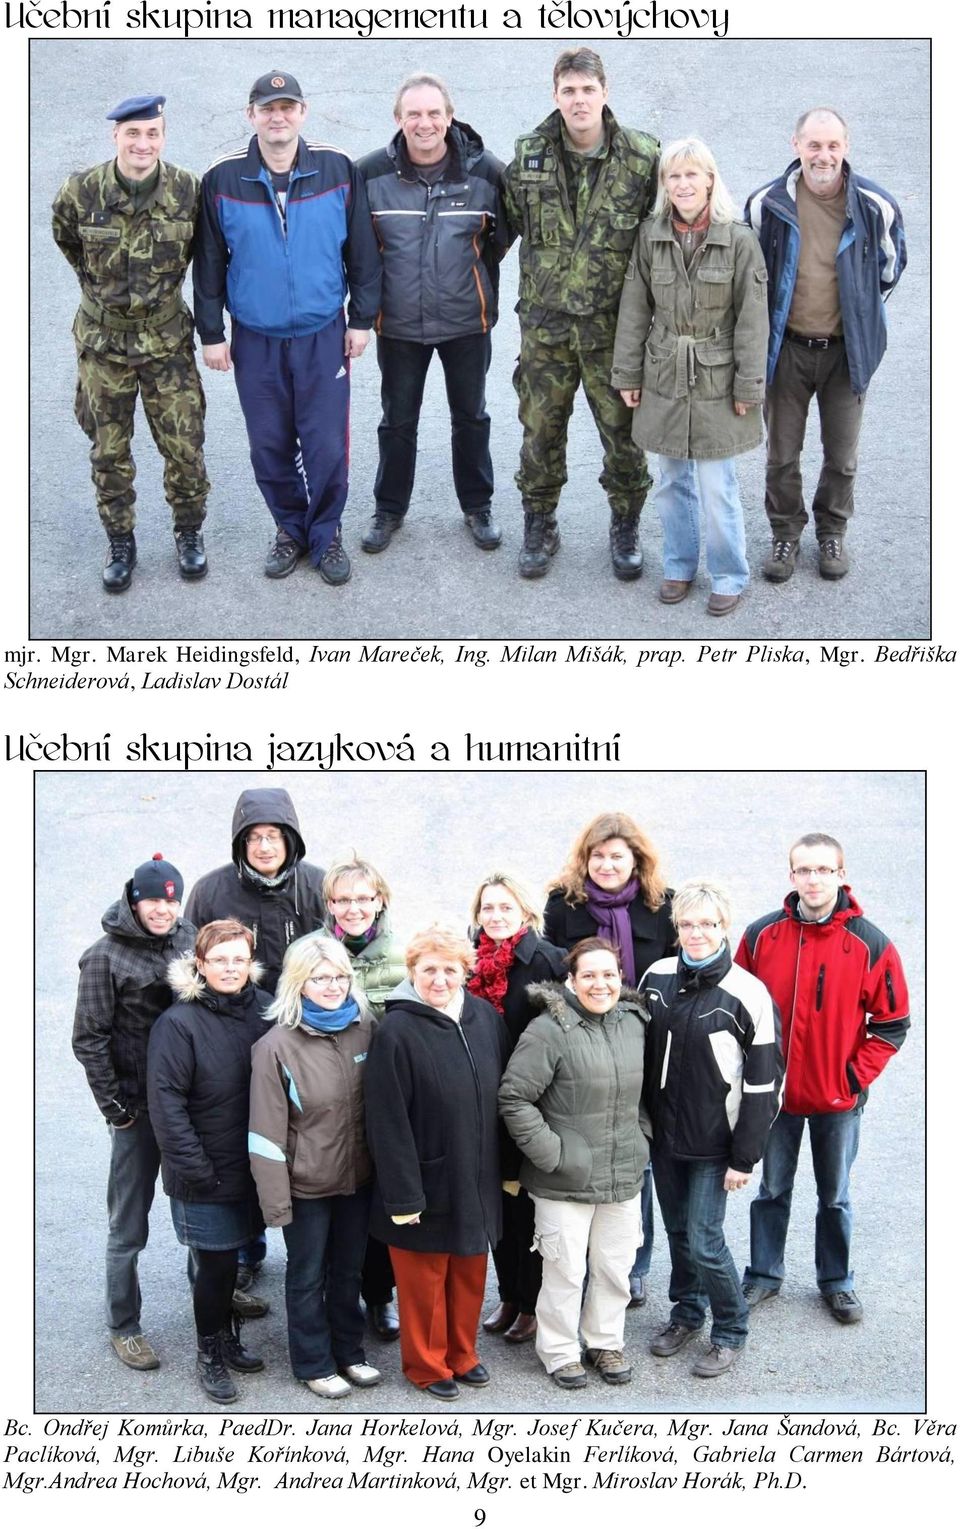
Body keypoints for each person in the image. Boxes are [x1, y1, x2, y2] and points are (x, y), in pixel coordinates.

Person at [193, 70, 381, 584]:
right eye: (267, 108)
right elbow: (208, 262)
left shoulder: (338, 169)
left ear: (303, 111)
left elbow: (362, 250)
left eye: (288, 107)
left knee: (325, 444)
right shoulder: (222, 180)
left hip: (323, 333)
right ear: (250, 115)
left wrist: (361, 320)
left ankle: (326, 535)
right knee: (269, 444)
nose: (278, 117)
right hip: (256, 338)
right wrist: (211, 332)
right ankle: (290, 530)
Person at [735, 834, 910, 1323]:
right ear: (791, 877)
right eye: (803, 870)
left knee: (835, 1195)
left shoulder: (871, 943)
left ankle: (837, 1281)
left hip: (838, 1099)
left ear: (840, 875)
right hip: (775, 1097)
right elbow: (736, 1011)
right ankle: (764, 1275)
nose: (813, 879)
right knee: (772, 1190)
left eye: (822, 870)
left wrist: (853, 1077)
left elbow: (892, 1023)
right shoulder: (760, 936)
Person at [503, 48, 659, 580]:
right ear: (555, 95)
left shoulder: (641, 157)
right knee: (540, 430)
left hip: (612, 330)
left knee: (623, 432)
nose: (578, 100)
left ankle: (625, 524)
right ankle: (540, 523)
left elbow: (663, 238)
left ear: (604, 92)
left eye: (587, 90)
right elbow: (501, 226)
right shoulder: (527, 155)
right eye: (568, 91)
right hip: (544, 329)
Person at [52, 95, 210, 592]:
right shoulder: (81, 191)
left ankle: (188, 533)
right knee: (108, 451)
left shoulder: (187, 190)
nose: (143, 144)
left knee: (184, 448)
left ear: (163, 136)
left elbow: (204, 257)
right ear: (115, 136)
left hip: (166, 343)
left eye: (153, 134)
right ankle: (120, 540)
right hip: (103, 346)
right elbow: (68, 240)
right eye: (133, 134)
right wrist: (104, 296)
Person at [746, 108, 907, 583]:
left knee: (842, 455)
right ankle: (785, 532)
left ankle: (832, 530)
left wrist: (859, 319)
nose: (824, 155)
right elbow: (750, 278)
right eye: (814, 145)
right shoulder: (766, 204)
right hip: (786, 352)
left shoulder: (875, 205)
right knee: (781, 455)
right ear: (795, 145)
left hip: (846, 353)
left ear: (846, 147)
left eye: (833, 145)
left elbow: (890, 269)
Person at [612, 137, 769, 617]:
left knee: (716, 482)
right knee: (671, 477)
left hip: (717, 375)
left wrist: (749, 386)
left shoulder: (739, 239)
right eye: (674, 176)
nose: (683, 184)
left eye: (692, 174)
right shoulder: (650, 236)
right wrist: (627, 373)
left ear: (710, 180)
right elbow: (635, 309)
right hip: (663, 373)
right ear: (665, 184)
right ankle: (679, 566)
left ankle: (728, 573)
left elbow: (753, 318)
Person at [357, 74, 510, 554]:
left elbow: (500, 239)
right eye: (414, 114)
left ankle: (477, 506)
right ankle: (389, 510)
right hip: (399, 325)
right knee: (397, 420)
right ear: (398, 119)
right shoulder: (369, 174)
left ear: (449, 115)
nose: (424, 124)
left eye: (433, 113)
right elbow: (359, 249)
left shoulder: (486, 173)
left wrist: (474, 282)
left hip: (467, 321)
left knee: (471, 417)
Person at [185, 786, 326, 1302]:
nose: (264, 846)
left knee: (296, 1137)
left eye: (274, 836)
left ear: (291, 839)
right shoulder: (211, 891)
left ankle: (305, 1249)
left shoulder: (315, 885)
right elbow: (190, 958)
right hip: (233, 1028)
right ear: (239, 841)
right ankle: (244, 1252)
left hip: (301, 1031)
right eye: (254, 837)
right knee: (239, 1136)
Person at [640, 880, 783, 1378]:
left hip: (715, 1144)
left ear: (724, 927)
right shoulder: (656, 977)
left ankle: (730, 1329)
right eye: (686, 924)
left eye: (707, 924)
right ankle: (686, 1313)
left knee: (704, 1238)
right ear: (676, 928)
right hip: (664, 1137)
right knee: (679, 1232)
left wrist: (745, 1158)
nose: (696, 933)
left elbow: (765, 1086)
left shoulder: (748, 993)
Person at [364, 927, 511, 1399]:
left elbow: (507, 1097)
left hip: (478, 1175)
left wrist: (508, 1169)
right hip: (423, 1178)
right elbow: (386, 1121)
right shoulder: (396, 1032)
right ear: (411, 972)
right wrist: (403, 1195)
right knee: (424, 1280)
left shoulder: (485, 1017)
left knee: (469, 1271)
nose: (440, 979)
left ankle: (462, 1355)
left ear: (465, 973)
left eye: (450, 970)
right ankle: (427, 1366)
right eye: (429, 969)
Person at [498, 938, 650, 1390]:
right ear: (571, 980)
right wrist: (552, 1155)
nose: (600, 984)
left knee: (614, 1266)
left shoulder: (634, 1023)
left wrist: (642, 1136)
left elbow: (644, 1095)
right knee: (565, 1270)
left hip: (623, 1171)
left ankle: (605, 1341)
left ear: (620, 978)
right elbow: (514, 1096)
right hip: (563, 1178)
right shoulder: (549, 1030)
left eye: (608, 975)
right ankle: (560, 1351)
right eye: (589, 975)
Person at [544, 811, 675, 1308]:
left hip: (644, 1039)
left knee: (634, 1154)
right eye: (597, 855)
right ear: (585, 858)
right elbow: (555, 977)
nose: (606, 864)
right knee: (587, 1146)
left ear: (636, 859)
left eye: (617, 856)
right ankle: (578, 1262)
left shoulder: (661, 906)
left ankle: (632, 1264)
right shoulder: (562, 905)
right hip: (585, 1038)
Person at [72, 853, 197, 1370]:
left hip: (187, 1106)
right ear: (134, 899)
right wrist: (116, 1109)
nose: (163, 910)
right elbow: (88, 1039)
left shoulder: (189, 939)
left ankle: (215, 1291)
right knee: (129, 1227)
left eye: (171, 900)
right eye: (154, 900)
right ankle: (124, 1325)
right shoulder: (103, 957)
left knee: (199, 1210)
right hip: (138, 1112)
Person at [147, 921, 272, 1404]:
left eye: (238, 958)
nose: (229, 967)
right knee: (216, 1267)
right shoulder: (178, 1024)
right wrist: (198, 1171)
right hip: (204, 1172)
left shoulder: (264, 1010)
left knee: (236, 1257)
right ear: (200, 963)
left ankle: (228, 1336)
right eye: (219, 959)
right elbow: (167, 1105)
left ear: (250, 963)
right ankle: (210, 1354)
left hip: (251, 1168)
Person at [250, 934, 381, 1399]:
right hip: (305, 1186)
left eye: (340, 976)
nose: (332, 986)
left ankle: (349, 1351)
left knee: (349, 1270)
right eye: (320, 978)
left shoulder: (365, 1028)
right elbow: (264, 1135)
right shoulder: (275, 1047)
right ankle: (313, 1361)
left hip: (357, 1180)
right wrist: (276, 1205)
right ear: (299, 984)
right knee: (307, 1275)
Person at [467, 873, 567, 1346]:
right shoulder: (473, 957)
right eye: (488, 908)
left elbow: (563, 1036)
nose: (496, 916)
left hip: (529, 1103)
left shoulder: (545, 961)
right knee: (498, 1207)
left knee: (527, 1208)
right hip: (484, 1101)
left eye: (506, 907)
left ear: (525, 913)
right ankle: (508, 1294)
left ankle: (531, 1302)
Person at [323, 856, 407, 1339]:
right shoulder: (312, 951)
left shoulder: (402, 953)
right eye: (343, 900)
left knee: (379, 1203)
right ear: (330, 904)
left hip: (384, 1100)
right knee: (334, 1204)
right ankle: (334, 1297)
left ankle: (380, 1296)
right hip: (329, 1103)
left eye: (362, 898)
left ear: (379, 901)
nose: (353, 908)